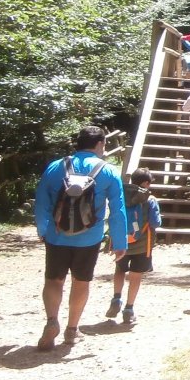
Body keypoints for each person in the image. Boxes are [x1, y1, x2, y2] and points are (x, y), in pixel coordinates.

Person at [32, 125, 127, 350]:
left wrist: (43, 229)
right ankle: (72, 330)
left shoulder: (56, 167)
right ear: (100, 144)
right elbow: (118, 209)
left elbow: (42, 201)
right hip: (89, 238)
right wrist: (119, 241)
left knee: (54, 280)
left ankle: (52, 320)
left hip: (57, 236)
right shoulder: (108, 171)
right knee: (81, 282)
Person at [106, 167, 160, 326]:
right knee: (136, 275)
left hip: (121, 242)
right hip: (143, 244)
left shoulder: (120, 195)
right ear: (145, 183)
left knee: (120, 270)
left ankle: (116, 298)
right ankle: (129, 310)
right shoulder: (150, 200)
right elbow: (156, 222)